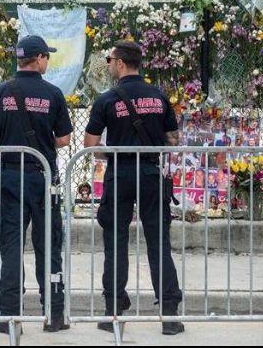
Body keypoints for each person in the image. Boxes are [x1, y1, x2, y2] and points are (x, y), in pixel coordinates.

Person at [84, 40, 184, 335]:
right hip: (152, 172)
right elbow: (173, 140)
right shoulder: (158, 96)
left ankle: (112, 309)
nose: (108, 64)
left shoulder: (107, 100)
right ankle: (169, 314)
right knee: (158, 242)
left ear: (120, 63)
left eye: (109, 59)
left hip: (121, 173)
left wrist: (114, 151)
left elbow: (90, 146)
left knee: (115, 242)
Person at [0, 35, 73, 334]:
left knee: (10, 245)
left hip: (9, 175)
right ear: (40, 58)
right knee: (49, 245)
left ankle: (9, 315)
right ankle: (54, 313)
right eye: (47, 57)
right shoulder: (53, 94)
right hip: (42, 177)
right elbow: (64, 139)